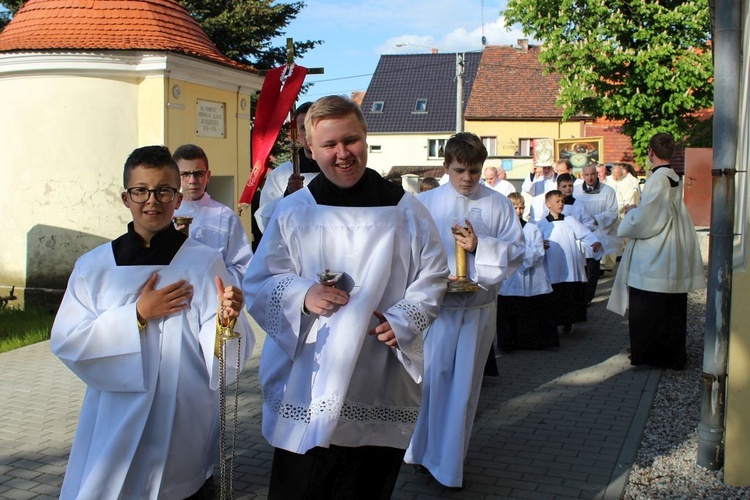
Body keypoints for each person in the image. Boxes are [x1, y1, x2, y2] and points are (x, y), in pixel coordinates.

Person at [242, 95, 449, 499]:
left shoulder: (406, 210)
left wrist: (403, 318)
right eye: (329, 145)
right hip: (309, 373)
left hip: (378, 371)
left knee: (365, 485)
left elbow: (433, 275)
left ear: (365, 138)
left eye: (350, 141)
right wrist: (302, 294)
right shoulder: (293, 211)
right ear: (310, 149)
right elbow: (260, 280)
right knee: (302, 486)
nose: (342, 154)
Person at [50, 145, 255, 499]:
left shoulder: (204, 262)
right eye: (140, 191)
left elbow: (220, 356)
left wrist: (226, 321)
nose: (152, 201)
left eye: (163, 191)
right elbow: (68, 340)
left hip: (181, 413)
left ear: (178, 199)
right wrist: (137, 314)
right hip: (114, 411)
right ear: (125, 198)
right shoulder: (94, 266)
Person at [405, 132, 524, 488]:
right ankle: (419, 450)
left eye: (474, 170)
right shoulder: (424, 203)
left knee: (463, 391)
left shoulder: (498, 205)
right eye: (460, 170)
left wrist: (479, 246)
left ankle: (448, 464)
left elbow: (516, 252)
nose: (468, 179)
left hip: (476, 310)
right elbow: (408, 252)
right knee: (430, 383)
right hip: (437, 310)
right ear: (445, 166)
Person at [607, 133, 704, 370]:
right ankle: (671, 354)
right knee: (670, 308)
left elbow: (649, 218)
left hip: (655, 252)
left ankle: (649, 355)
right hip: (671, 244)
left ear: (651, 152)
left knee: (648, 308)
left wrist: (631, 212)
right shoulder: (672, 175)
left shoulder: (657, 180)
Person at [173, 143, 252, 288]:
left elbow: (243, 266)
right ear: (174, 177)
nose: (192, 180)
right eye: (184, 174)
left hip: (214, 298)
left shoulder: (225, 216)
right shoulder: (164, 215)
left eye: (198, 174)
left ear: (207, 175)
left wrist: (213, 284)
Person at [496, 192, 557, 351]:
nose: (519, 211)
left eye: (521, 207)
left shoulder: (532, 228)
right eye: (515, 208)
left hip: (532, 276)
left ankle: (535, 342)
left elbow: (538, 250)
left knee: (534, 309)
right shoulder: (501, 230)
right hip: (510, 277)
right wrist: (516, 254)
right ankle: (510, 343)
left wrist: (520, 255)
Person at [537, 190, 603, 334]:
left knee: (569, 295)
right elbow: (535, 243)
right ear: (548, 204)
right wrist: (540, 245)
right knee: (554, 297)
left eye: (562, 201)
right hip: (552, 266)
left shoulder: (570, 221)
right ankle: (553, 323)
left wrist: (595, 241)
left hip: (570, 265)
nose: (561, 204)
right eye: (557, 201)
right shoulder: (541, 225)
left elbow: (586, 233)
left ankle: (568, 322)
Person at [254, 101, 321, 233]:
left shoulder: (338, 170)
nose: (309, 133)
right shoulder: (280, 175)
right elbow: (264, 220)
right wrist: (287, 196)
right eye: (303, 128)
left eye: (314, 126)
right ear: (297, 134)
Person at [573, 164, 620, 303]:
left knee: (593, 268)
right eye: (586, 175)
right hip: (580, 233)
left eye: (592, 174)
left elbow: (612, 212)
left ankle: (588, 297)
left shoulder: (608, 191)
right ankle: (580, 296)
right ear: (582, 175)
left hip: (598, 232)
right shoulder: (575, 191)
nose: (590, 177)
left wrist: (595, 219)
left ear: (597, 174)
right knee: (581, 267)